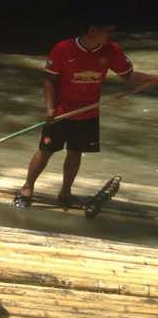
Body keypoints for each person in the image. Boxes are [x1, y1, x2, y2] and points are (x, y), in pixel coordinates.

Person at [14, 21, 157, 208]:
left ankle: (65, 193)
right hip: (61, 112)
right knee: (46, 150)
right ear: (92, 30)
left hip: (88, 112)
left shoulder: (111, 50)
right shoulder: (63, 48)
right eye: (108, 31)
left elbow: (128, 76)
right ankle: (27, 188)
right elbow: (49, 79)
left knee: (76, 152)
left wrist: (153, 78)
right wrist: (49, 108)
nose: (112, 35)